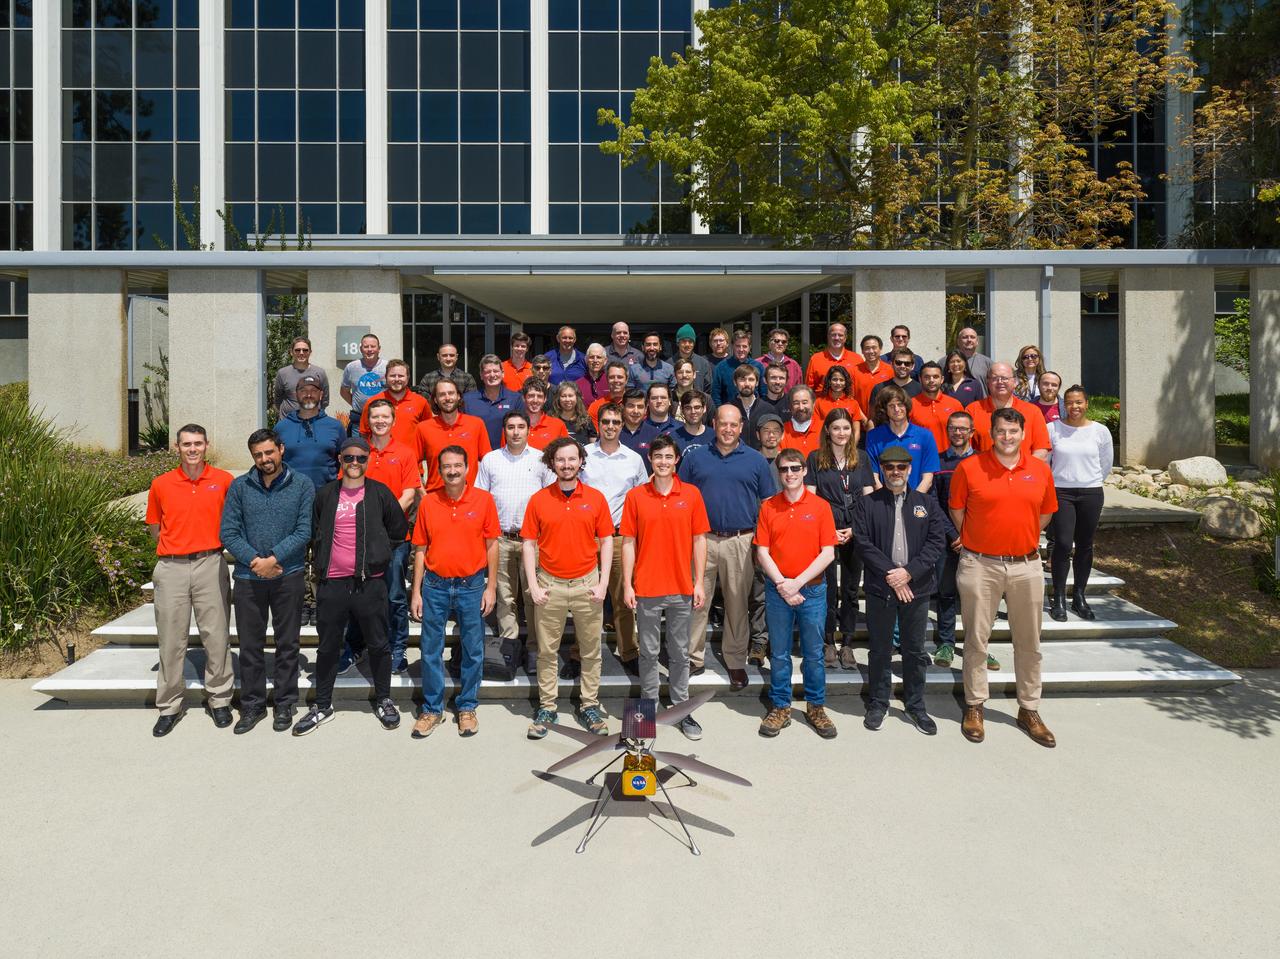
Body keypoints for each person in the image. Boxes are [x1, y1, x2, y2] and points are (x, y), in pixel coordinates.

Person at [949, 407, 1059, 748]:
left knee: (1029, 642)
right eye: (1001, 432)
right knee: (976, 639)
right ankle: (975, 705)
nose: (1007, 437)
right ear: (991, 433)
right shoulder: (970, 467)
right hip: (980, 564)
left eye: (1013, 432)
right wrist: (983, 540)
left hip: (1026, 565)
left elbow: (1044, 514)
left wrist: (1018, 539)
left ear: (1023, 434)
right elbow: (958, 511)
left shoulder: (1039, 470)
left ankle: (1029, 708)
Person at [292, 436, 409, 736]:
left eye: (360, 458)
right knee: (328, 645)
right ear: (340, 461)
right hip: (332, 584)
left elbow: (398, 529)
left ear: (367, 461)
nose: (354, 463)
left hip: (370, 584)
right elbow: (314, 530)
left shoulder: (380, 494)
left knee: (379, 645)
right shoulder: (326, 494)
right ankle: (322, 704)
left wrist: (378, 554)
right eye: (349, 458)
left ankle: (384, 698)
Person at [220, 428, 314, 734]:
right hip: (249, 578)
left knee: (288, 643)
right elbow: (228, 532)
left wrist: (273, 559)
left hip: (288, 575)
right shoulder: (239, 487)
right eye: (258, 455)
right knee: (250, 645)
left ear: (281, 449)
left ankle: (284, 703)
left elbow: (304, 531)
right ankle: (252, 705)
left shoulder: (302, 485)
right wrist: (255, 562)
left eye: (269, 452)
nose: (264, 459)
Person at [145, 425, 236, 737]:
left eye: (198, 443)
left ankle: (220, 699)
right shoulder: (161, 483)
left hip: (210, 562)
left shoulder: (224, 480)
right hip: (171, 568)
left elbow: (234, 521)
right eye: (187, 444)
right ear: (177, 447)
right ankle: (169, 706)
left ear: (207, 445)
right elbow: (155, 527)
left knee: (217, 635)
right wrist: (175, 550)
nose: (193, 449)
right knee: (171, 640)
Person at [678, 405, 777, 687]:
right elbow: (681, 499)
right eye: (723, 424)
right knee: (698, 602)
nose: (728, 429)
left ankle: (735, 660)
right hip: (701, 540)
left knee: (737, 603)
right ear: (714, 423)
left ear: (741, 426)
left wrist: (762, 543)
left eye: (734, 424)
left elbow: (768, 505)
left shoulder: (756, 460)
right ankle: (692, 658)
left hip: (741, 541)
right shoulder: (695, 457)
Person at [522, 437, 615, 739]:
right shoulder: (539, 500)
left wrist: (603, 583)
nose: (566, 465)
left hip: (588, 584)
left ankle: (590, 705)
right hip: (550, 585)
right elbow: (528, 544)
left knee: (591, 652)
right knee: (547, 652)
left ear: (581, 461)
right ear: (552, 463)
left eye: (572, 459)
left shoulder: (596, 498)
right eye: (560, 460)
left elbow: (607, 541)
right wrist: (533, 585)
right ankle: (547, 706)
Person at [621, 434, 711, 740]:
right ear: (651, 460)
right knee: (647, 652)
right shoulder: (636, 497)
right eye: (657, 457)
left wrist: (699, 581)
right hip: (646, 587)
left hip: (681, 586)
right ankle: (647, 710)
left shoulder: (692, 495)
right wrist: (628, 584)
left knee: (679, 652)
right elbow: (628, 543)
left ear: (676, 461)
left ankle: (681, 708)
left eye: (668, 457)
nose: (662, 462)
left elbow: (699, 540)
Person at [853, 444, 946, 734]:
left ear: (909, 470)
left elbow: (936, 542)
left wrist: (909, 573)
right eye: (890, 467)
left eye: (901, 467)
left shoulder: (926, 503)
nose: (895, 472)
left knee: (914, 650)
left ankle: (916, 705)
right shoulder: (868, 504)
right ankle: (878, 702)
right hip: (881, 588)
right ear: (882, 470)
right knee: (880, 649)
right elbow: (863, 542)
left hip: (916, 589)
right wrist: (892, 575)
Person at [408, 446, 499, 739]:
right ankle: (431, 709)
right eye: (446, 466)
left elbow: (492, 545)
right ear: (439, 469)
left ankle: (467, 706)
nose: (452, 471)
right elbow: (420, 548)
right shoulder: (429, 503)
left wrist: (491, 587)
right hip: (435, 585)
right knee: (430, 648)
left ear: (467, 467)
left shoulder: (484, 500)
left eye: (457, 465)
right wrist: (417, 592)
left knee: (473, 648)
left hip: (472, 585)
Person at [755, 447, 839, 739]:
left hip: (812, 591)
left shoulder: (820, 507)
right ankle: (781, 706)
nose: (789, 474)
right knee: (778, 654)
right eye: (784, 469)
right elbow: (762, 552)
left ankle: (816, 706)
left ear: (804, 470)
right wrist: (783, 585)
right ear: (778, 473)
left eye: (795, 468)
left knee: (814, 654)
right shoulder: (768, 507)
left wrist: (797, 583)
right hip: (778, 591)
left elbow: (827, 553)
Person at [475, 411, 553, 656]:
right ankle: (508, 645)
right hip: (501, 539)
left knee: (534, 595)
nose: (516, 431)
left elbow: (552, 498)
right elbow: (480, 499)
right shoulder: (490, 460)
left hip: (534, 541)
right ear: (504, 430)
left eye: (521, 426)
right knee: (505, 596)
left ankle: (533, 647)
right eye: (511, 427)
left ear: (529, 430)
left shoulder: (542, 460)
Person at [351, 398, 421, 674]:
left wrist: (380, 519)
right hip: (360, 537)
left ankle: (398, 647)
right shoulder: (357, 453)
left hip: (394, 538)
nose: (379, 421)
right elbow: (348, 488)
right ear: (367, 421)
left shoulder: (405, 453)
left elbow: (409, 494)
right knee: (360, 593)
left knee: (394, 595)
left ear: (393, 421)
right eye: (375, 417)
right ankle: (360, 645)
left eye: (385, 417)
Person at [581, 404, 649, 673]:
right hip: (586, 537)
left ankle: (629, 651)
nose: (610, 426)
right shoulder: (583, 455)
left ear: (622, 425)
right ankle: (579, 654)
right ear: (598, 424)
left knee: (622, 597)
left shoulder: (633, 459)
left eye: (615, 422)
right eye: (606, 421)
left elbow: (641, 497)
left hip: (620, 537)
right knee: (585, 599)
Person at [805, 409, 875, 668]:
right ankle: (827, 642)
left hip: (855, 531)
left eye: (846, 428)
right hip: (825, 532)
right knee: (827, 591)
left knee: (850, 589)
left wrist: (856, 528)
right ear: (827, 431)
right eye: (836, 428)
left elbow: (869, 496)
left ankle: (847, 642)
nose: (842, 433)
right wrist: (828, 531)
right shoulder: (815, 459)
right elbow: (810, 498)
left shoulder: (863, 458)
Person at [930, 411, 999, 672]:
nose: (958, 433)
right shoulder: (937, 462)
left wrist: (970, 535)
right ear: (947, 431)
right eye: (953, 428)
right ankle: (946, 643)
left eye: (963, 429)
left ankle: (981, 647)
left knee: (979, 596)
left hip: (979, 540)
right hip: (947, 540)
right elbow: (935, 505)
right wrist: (954, 535)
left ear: (972, 432)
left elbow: (988, 503)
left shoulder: (984, 463)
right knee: (947, 593)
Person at [1047, 385, 1114, 623]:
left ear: (1087, 404)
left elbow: (1106, 463)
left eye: (1079, 402)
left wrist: (1090, 480)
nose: (1074, 407)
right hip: (1061, 492)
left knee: (1085, 544)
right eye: (1069, 402)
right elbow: (1045, 462)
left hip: (1091, 492)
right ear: (1063, 405)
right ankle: (1058, 599)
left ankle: (1079, 596)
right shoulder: (1052, 428)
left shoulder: (1100, 431)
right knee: (1063, 544)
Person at [416, 379, 492, 492]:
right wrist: (423, 494)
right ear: (435, 400)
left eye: (451, 393)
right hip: (435, 497)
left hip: (470, 496)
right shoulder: (423, 428)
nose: (447, 398)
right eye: (442, 394)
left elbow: (489, 462)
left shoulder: (476, 424)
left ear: (458, 396)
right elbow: (411, 465)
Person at [965, 363, 1052, 461]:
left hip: (1022, 474)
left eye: (1005, 378)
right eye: (995, 378)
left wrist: (1022, 472)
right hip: (985, 474)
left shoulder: (1033, 411)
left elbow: (1041, 451)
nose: (1000, 382)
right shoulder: (973, 410)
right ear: (988, 382)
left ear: (1015, 382)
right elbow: (965, 450)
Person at [865, 385, 940, 492]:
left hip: (917, 499)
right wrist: (886, 501)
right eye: (891, 406)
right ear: (885, 409)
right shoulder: (873, 437)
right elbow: (873, 476)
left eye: (900, 405)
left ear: (906, 406)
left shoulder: (925, 436)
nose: (896, 409)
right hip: (884, 502)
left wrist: (912, 502)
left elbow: (927, 479)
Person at [276, 375, 345, 489]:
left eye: (313, 391)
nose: (308, 395)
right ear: (296, 394)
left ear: (321, 395)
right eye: (303, 391)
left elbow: (343, 461)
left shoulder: (336, 426)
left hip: (326, 494)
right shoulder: (281, 427)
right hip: (292, 495)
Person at [358, 358, 431, 445]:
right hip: (381, 456)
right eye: (392, 376)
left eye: (401, 376)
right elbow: (364, 433)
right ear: (386, 377)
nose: (396, 379)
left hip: (412, 457)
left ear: (408, 378)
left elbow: (428, 432)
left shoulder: (420, 402)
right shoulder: (373, 402)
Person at [463, 353, 525, 448]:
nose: (492, 375)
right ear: (481, 375)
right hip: (477, 457)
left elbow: (521, 429)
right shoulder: (468, 400)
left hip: (507, 457)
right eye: (487, 372)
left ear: (502, 373)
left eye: (496, 371)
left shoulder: (516, 399)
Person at [908, 361, 964, 453]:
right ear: (920, 379)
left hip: (950, 460)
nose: (931, 380)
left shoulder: (955, 404)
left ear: (942, 379)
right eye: (927, 377)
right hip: (922, 460)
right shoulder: (910, 405)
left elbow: (965, 434)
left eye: (935, 377)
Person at [340, 333, 386, 435]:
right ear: (361, 349)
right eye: (366, 347)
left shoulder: (387, 367)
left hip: (382, 420)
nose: (369, 349)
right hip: (359, 421)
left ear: (379, 348)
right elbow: (344, 391)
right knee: (359, 450)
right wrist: (357, 404)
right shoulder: (351, 367)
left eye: (373, 346)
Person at [273, 336, 330, 416]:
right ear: (291, 352)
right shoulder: (283, 373)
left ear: (310, 352)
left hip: (313, 421)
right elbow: (278, 399)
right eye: (297, 350)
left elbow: (325, 400)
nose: (301, 353)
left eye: (305, 350)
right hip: (289, 421)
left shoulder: (320, 373)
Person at [710, 329, 766, 407]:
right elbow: (716, 395)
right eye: (738, 346)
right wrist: (721, 412)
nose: (741, 349)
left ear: (749, 347)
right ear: (732, 346)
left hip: (754, 412)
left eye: (744, 346)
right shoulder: (721, 367)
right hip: (729, 415)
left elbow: (764, 393)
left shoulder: (758, 367)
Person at [729, 363, 778, 450]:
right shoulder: (728, 410)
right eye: (742, 379)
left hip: (761, 459)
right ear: (735, 382)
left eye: (751, 379)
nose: (747, 384)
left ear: (757, 383)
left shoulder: (768, 409)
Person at [804, 321, 859, 396]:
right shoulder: (816, 359)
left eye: (840, 335)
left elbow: (860, 387)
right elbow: (809, 388)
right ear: (828, 337)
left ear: (845, 338)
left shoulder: (856, 359)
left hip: (848, 405)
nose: (836, 338)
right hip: (822, 405)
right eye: (833, 335)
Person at [517, 377, 570, 450]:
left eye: (540, 396)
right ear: (523, 398)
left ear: (545, 399)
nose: (535, 400)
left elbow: (565, 454)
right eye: (531, 396)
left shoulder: (558, 425)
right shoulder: (513, 426)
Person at [814, 365, 864, 437]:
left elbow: (856, 432)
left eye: (841, 380)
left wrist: (850, 448)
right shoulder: (819, 402)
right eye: (835, 379)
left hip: (848, 445)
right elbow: (816, 430)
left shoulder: (853, 403)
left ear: (846, 383)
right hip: (825, 444)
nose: (838, 383)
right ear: (829, 382)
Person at [852, 334, 894, 416]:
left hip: (885, 421)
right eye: (867, 348)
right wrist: (863, 420)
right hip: (861, 421)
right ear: (862, 351)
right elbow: (851, 399)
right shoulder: (854, 371)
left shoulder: (890, 370)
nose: (871, 351)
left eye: (874, 348)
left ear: (880, 349)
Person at [780, 385, 823, 459]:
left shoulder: (825, 428)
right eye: (796, 403)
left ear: (813, 404)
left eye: (804, 402)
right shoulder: (781, 431)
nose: (801, 407)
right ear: (790, 406)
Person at [619, 388, 659, 463]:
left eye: (640, 407)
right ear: (622, 408)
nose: (636, 411)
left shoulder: (655, 435)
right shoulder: (613, 432)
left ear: (645, 409)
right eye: (631, 406)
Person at [587, 360, 630, 429]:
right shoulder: (595, 407)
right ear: (607, 380)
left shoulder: (635, 405)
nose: (616, 380)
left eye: (620, 377)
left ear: (626, 380)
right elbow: (594, 435)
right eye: (612, 377)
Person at [554, 380, 598, 444]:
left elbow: (594, 444)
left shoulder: (586, 419)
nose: (567, 399)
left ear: (577, 398)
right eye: (563, 396)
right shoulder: (552, 418)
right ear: (558, 399)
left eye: (570, 396)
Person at [673, 390, 713, 457]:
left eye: (697, 407)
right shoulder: (673, 438)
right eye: (688, 408)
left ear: (704, 408)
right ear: (682, 410)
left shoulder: (714, 436)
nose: (693, 412)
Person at [674, 323, 713, 392]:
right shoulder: (670, 363)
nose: (687, 344)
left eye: (690, 341)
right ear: (678, 343)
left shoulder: (703, 363)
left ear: (694, 343)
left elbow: (709, 388)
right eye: (683, 341)